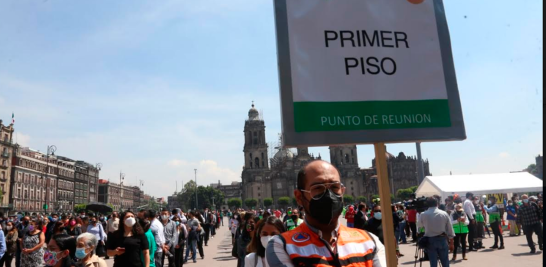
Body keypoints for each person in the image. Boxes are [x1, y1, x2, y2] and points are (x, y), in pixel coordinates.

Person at [267, 160, 386, 267]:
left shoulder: (370, 241)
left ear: (342, 192)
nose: (329, 195)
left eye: (335, 187)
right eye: (318, 188)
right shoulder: (282, 245)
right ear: (299, 196)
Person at [417, 197, 455, 267]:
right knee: (445, 261)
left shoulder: (423, 214)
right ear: (437, 204)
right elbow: (450, 228)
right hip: (442, 239)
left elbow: (419, 228)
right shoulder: (444, 213)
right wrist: (451, 242)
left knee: (433, 262)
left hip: (430, 240)